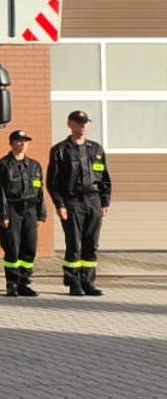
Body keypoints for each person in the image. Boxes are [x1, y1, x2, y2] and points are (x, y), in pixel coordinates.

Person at [49, 110, 113, 296]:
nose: (82, 125)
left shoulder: (96, 149)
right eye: (78, 122)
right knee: (74, 244)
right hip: (72, 201)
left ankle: (88, 282)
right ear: (70, 124)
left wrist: (105, 201)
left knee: (91, 243)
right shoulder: (60, 150)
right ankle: (73, 282)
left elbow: (104, 177)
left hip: (93, 201)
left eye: (85, 122)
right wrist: (59, 204)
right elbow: (53, 182)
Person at [0, 130, 47, 297]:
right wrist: (3, 215)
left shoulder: (34, 165)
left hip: (30, 210)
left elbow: (39, 191)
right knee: (12, 248)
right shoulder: (2, 165)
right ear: (11, 143)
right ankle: (12, 283)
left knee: (29, 248)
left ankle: (25, 283)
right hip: (12, 209)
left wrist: (41, 214)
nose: (22, 144)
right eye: (18, 141)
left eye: (25, 141)